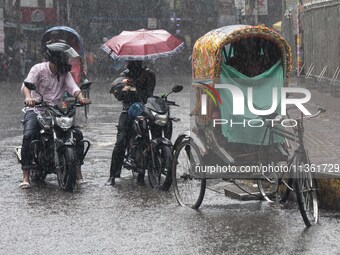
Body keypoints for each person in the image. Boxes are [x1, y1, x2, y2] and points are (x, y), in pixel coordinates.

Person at [19, 42, 91, 189]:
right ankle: (25, 176)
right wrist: (28, 98)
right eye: (64, 59)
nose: (66, 62)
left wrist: (81, 98)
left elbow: (74, 88)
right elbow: (26, 86)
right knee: (28, 136)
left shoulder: (65, 73)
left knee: (76, 134)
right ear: (54, 59)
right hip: (36, 109)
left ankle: (77, 171)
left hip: (56, 110)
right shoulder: (38, 69)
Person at [106, 60, 156, 186]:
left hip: (147, 109)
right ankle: (113, 175)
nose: (135, 63)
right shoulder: (124, 76)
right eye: (133, 61)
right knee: (121, 140)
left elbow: (149, 94)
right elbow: (120, 95)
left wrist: (142, 80)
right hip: (129, 110)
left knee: (160, 128)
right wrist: (131, 85)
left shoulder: (150, 75)